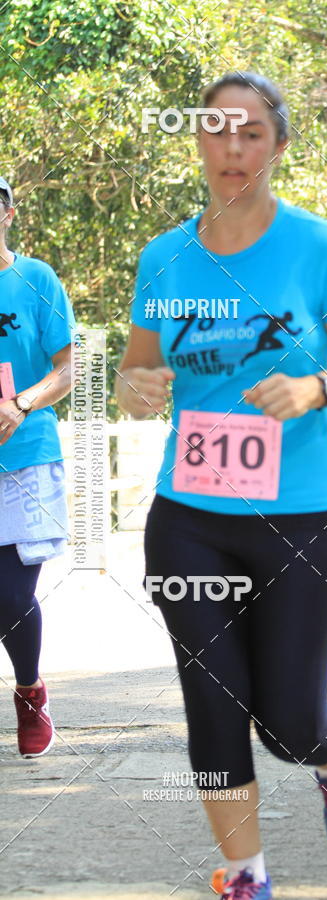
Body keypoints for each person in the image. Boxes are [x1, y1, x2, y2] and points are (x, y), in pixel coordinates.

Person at [116, 73, 327, 899]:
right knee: (212, 704)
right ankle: (245, 876)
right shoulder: (165, 257)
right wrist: (138, 388)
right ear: (198, 140)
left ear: (278, 146)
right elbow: (135, 371)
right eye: (217, 130)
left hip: (300, 519)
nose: (232, 149)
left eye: (251, 133)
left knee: (288, 724)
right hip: (189, 519)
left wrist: (317, 387)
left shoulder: (317, 246)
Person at [0, 177, 75, 757]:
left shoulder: (36, 279)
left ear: (8, 214)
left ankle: (30, 692)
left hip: (24, 456)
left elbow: (70, 367)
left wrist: (22, 404)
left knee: (9, 594)